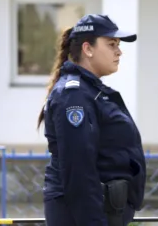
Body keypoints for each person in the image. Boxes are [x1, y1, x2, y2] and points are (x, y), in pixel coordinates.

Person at [37, 14, 147, 226]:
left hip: (103, 211)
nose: (119, 51)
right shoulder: (74, 95)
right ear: (88, 49)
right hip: (86, 215)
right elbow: (79, 171)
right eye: (111, 44)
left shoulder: (92, 91)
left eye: (118, 44)